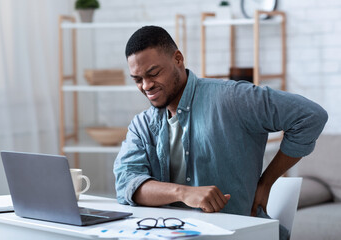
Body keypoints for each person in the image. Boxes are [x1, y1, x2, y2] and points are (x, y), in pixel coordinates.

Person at [113, 26, 328, 239]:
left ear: (178, 59)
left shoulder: (231, 98)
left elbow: (310, 116)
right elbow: (126, 184)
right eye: (137, 79)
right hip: (173, 233)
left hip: (240, 234)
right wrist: (184, 193)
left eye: (153, 74)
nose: (146, 86)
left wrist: (266, 182)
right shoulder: (142, 125)